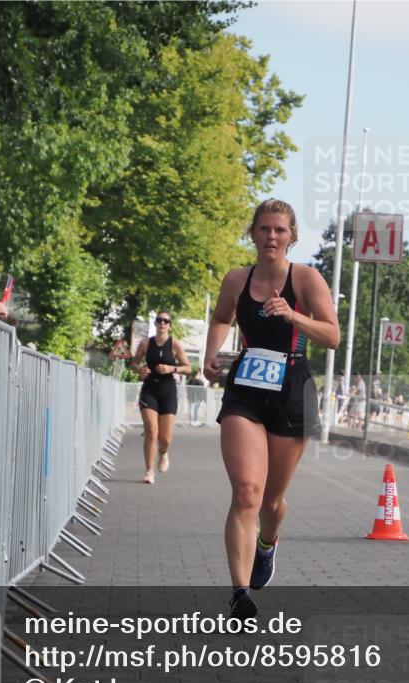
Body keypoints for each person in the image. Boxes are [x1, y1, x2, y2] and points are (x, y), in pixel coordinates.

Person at [203, 199, 340, 620]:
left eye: (280, 230)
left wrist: (293, 316)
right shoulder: (236, 279)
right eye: (264, 229)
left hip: (292, 389)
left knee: (272, 501)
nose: (271, 236)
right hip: (245, 387)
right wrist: (211, 353)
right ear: (253, 233)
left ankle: (267, 543)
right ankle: (239, 594)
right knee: (247, 491)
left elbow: (333, 336)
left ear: (292, 236)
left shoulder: (306, 278)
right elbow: (222, 318)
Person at [130, 312, 191, 484]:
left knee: (165, 438)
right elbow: (134, 362)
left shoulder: (174, 344)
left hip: (168, 391)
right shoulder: (146, 343)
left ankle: (163, 453)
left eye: (166, 321)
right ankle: (149, 471)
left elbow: (187, 368)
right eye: (159, 320)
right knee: (151, 430)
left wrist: (172, 369)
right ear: (155, 323)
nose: (162, 323)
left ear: (170, 325)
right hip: (150, 389)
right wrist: (140, 370)